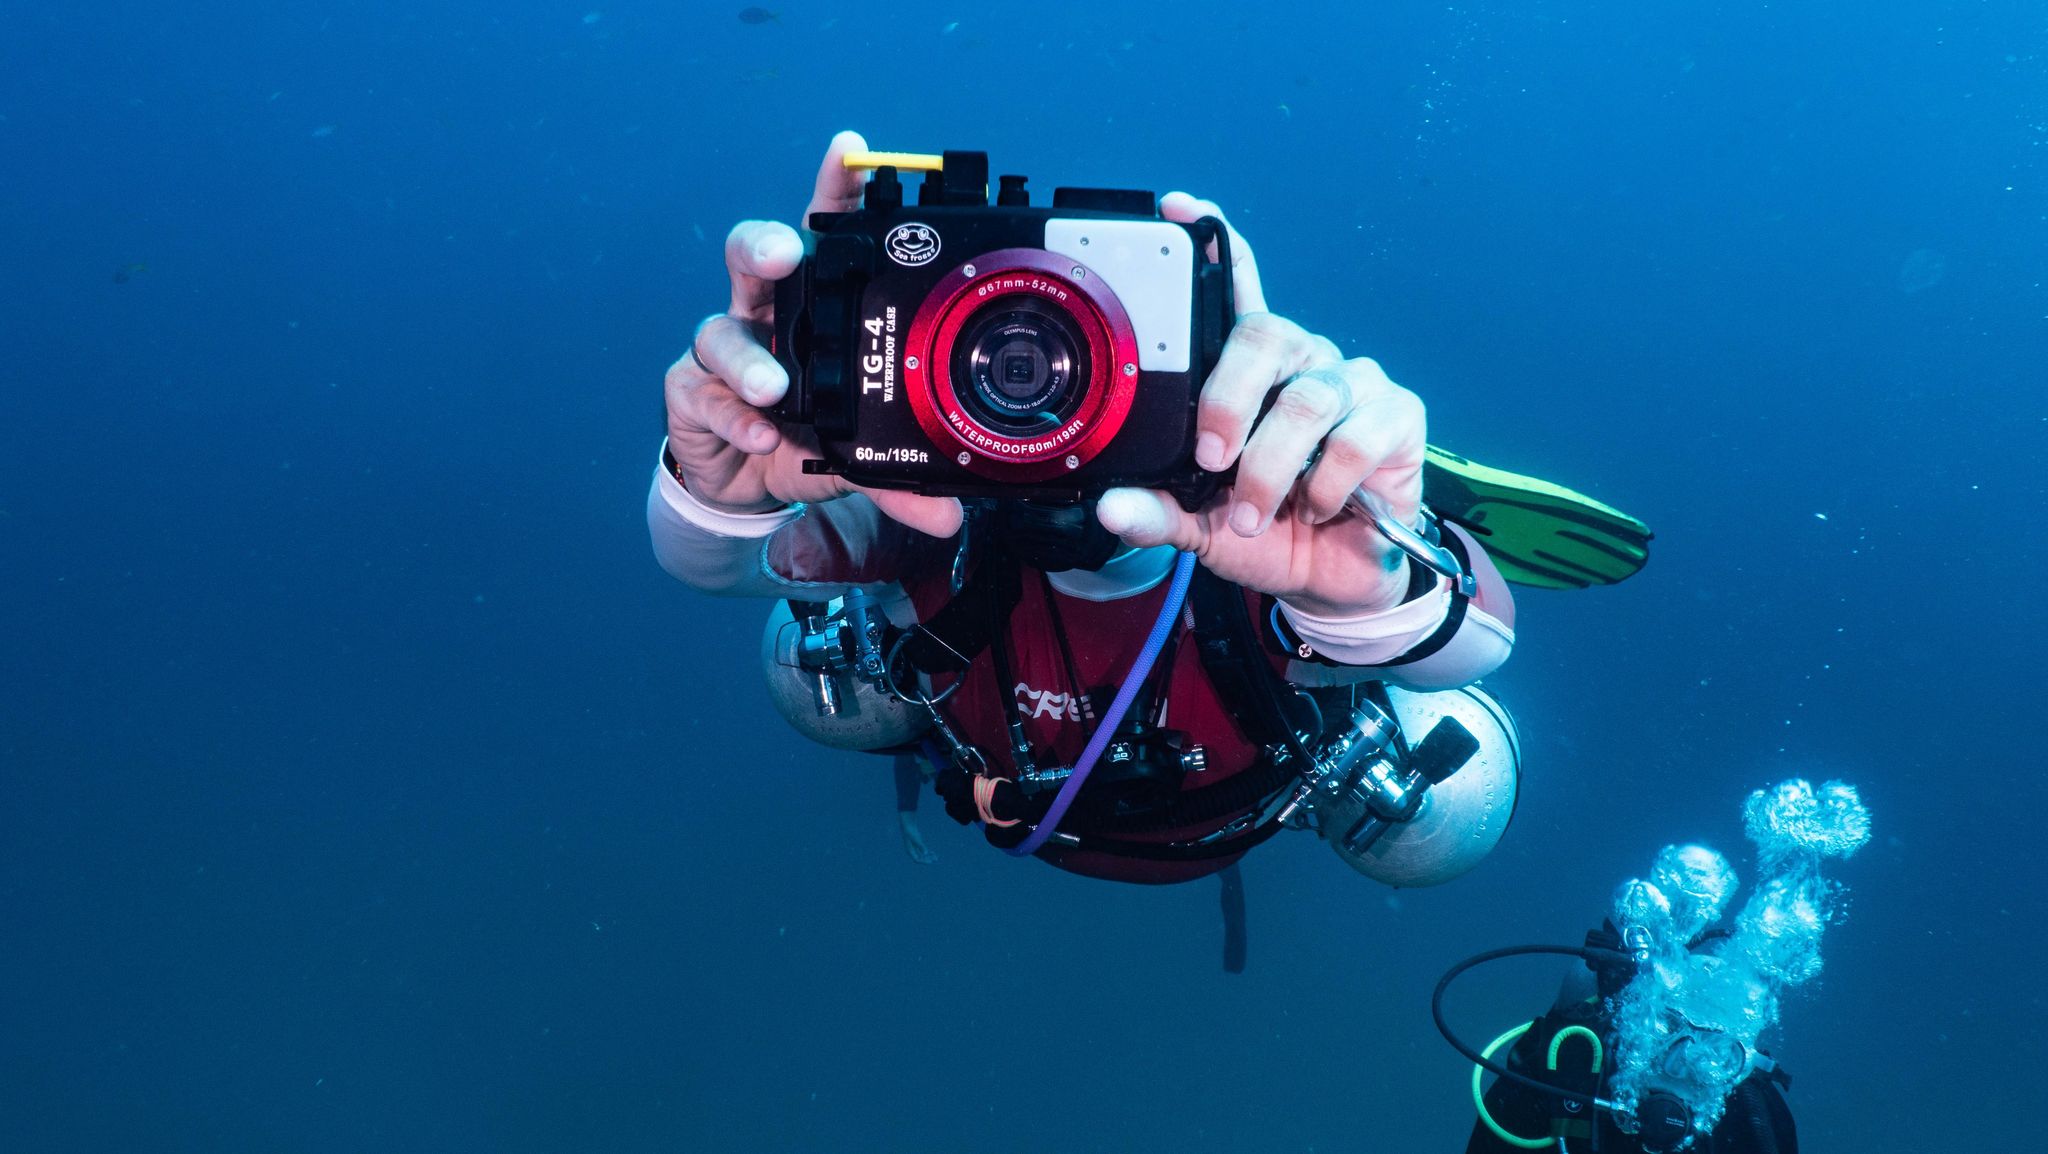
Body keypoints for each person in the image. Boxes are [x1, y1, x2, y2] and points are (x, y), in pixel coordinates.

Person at [647, 131, 1522, 886]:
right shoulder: (919, 515)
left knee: (1452, 800)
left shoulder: (1249, 522)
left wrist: (1366, 587)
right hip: (1048, 789)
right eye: (985, 366)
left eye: (1078, 361)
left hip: (1251, 794)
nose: (1027, 390)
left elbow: (1479, 650)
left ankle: (1391, 504)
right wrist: (723, 488)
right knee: (800, 673)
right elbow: (717, 568)